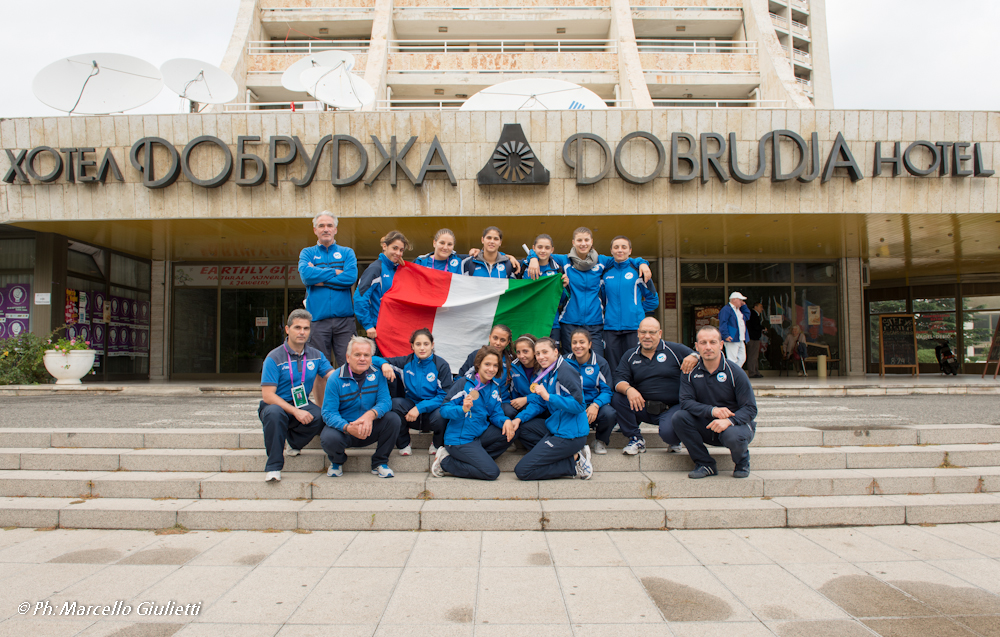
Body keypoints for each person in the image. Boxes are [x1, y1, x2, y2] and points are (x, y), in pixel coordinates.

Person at [524, 227, 651, 359]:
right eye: (579, 240)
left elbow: (623, 259)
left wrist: (642, 263)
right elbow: (543, 252)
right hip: (569, 321)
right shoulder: (564, 260)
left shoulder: (602, 261)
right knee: (570, 361)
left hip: (594, 321)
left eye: (586, 240)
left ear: (591, 242)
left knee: (597, 360)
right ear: (573, 242)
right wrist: (533, 258)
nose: (583, 243)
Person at [258, 309, 335, 482]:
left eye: (306, 328)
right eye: (297, 327)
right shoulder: (274, 357)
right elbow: (268, 396)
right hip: (276, 405)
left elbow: (333, 376)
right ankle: (274, 467)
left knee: (322, 416)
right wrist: (295, 411)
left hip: (300, 402)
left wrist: (357, 376)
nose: (302, 332)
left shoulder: (316, 355)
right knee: (275, 414)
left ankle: (293, 442)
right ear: (287, 329)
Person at [673, 325, 758, 479]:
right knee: (680, 417)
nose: (708, 347)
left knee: (732, 435)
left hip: (735, 426)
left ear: (720, 345)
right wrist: (713, 411)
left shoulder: (735, 372)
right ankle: (705, 464)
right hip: (707, 425)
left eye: (712, 342)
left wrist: (729, 421)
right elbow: (686, 402)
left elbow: (750, 408)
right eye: (703, 343)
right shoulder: (689, 371)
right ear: (697, 347)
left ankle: (742, 462)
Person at [612, 317, 699, 456]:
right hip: (642, 406)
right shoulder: (630, 355)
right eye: (644, 332)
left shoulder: (674, 350)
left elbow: (704, 355)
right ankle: (636, 439)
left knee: (668, 434)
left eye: (652, 332)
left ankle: (675, 439)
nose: (647, 336)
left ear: (660, 333)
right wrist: (629, 389)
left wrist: (695, 356)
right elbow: (618, 380)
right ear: (638, 333)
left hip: (672, 408)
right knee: (618, 397)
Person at [510, 338, 593, 481]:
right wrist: (519, 418)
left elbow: (579, 405)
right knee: (522, 429)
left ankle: (574, 461)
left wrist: (549, 397)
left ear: (555, 352)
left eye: (545, 352)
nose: (541, 357)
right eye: (538, 353)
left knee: (522, 471)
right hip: (556, 427)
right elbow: (539, 402)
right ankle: (564, 453)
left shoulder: (566, 371)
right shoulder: (547, 371)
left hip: (570, 435)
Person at [320, 336, 401, 479]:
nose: (362, 358)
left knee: (393, 419)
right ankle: (337, 462)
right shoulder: (335, 378)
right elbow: (328, 412)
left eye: (366, 355)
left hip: (370, 427)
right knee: (328, 437)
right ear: (348, 357)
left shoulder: (377, 375)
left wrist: (370, 415)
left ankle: (380, 462)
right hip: (345, 429)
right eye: (357, 355)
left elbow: (385, 402)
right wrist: (347, 427)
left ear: (371, 358)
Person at [431, 347, 517, 481]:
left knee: (511, 430)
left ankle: (478, 458)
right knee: (491, 472)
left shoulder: (494, 387)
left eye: (495, 365)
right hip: (460, 440)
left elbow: (496, 414)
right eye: (487, 364)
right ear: (478, 365)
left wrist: (505, 420)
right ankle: (445, 461)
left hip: (478, 436)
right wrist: (462, 409)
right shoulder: (463, 383)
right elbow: (444, 409)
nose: (491, 369)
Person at [373, 328, 453, 456]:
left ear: (432, 345)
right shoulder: (405, 362)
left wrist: (419, 408)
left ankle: (437, 444)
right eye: (418, 344)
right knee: (394, 404)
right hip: (410, 412)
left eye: (426, 344)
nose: (422, 348)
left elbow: (444, 396)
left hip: (432, 412)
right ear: (412, 346)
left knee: (443, 412)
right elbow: (372, 359)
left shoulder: (441, 365)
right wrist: (384, 364)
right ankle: (404, 444)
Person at [297, 212, 358, 367]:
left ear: (335, 229)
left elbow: (350, 278)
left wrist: (320, 278)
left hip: (344, 321)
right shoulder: (307, 253)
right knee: (317, 368)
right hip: (317, 320)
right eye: (321, 226)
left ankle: (348, 393)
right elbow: (306, 276)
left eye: (329, 225)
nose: (326, 229)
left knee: (350, 366)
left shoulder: (347, 252)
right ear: (315, 230)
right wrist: (335, 272)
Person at [602, 235, 660, 368]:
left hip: (634, 328)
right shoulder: (605, 273)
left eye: (624, 247)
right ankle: (616, 389)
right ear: (611, 251)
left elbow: (653, 300)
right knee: (613, 366)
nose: (620, 250)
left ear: (630, 250)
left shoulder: (638, 271)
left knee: (636, 364)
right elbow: (602, 301)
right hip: (610, 328)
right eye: (616, 247)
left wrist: (636, 310)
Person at [565, 328, 616, 455]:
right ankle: (570, 442)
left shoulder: (600, 363)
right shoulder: (564, 362)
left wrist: (596, 404)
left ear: (589, 344)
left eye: (582, 342)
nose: (578, 346)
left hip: (592, 405)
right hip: (573, 404)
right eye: (574, 342)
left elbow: (607, 390)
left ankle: (601, 440)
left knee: (609, 413)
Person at [354, 231, 410, 342]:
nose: (398, 253)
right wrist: (368, 325)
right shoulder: (375, 268)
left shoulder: (397, 269)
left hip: (395, 328)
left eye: (401, 250)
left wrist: (404, 269)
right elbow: (360, 297)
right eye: (395, 248)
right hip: (378, 329)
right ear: (385, 246)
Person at [458, 324, 517, 418]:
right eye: (495, 338)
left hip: (500, 401)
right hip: (475, 399)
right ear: (489, 337)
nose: (498, 343)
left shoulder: (512, 361)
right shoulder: (475, 355)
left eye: (502, 340)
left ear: (507, 342)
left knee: (510, 412)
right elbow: (460, 378)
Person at [520, 234, 565, 344]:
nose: (543, 251)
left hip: (551, 323)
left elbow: (561, 300)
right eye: (540, 247)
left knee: (550, 357)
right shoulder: (523, 266)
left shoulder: (558, 270)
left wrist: (563, 287)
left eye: (547, 247)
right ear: (533, 248)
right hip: (528, 321)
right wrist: (532, 258)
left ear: (552, 250)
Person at [718, 291, 750, 367]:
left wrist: (744, 306)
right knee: (732, 359)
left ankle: (735, 373)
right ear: (734, 300)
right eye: (740, 300)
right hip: (732, 337)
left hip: (740, 338)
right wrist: (725, 335)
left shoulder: (738, 310)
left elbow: (747, 316)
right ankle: (732, 375)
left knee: (742, 358)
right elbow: (723, 323)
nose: (741, 302)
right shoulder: (726, 309)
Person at [509, 334, 539, 413]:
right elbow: (513, 390)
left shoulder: (543, 367)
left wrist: (526, 399)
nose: (521, 356)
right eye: (518, 352)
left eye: (525, 351)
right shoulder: (513, 367)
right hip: (521, 406)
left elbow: (548, 393)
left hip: (540, 404)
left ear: (534, 351)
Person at [746, 301, 765, 378]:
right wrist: (762, 328)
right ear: (755, 307)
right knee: (752, 356)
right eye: (761, 307)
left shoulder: (755, 315)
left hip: (754, 338)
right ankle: (752, 372)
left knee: (755, 356)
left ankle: (756, 371)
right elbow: (755, 326)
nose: (762, 309)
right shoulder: (753, 315)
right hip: (752, 338)